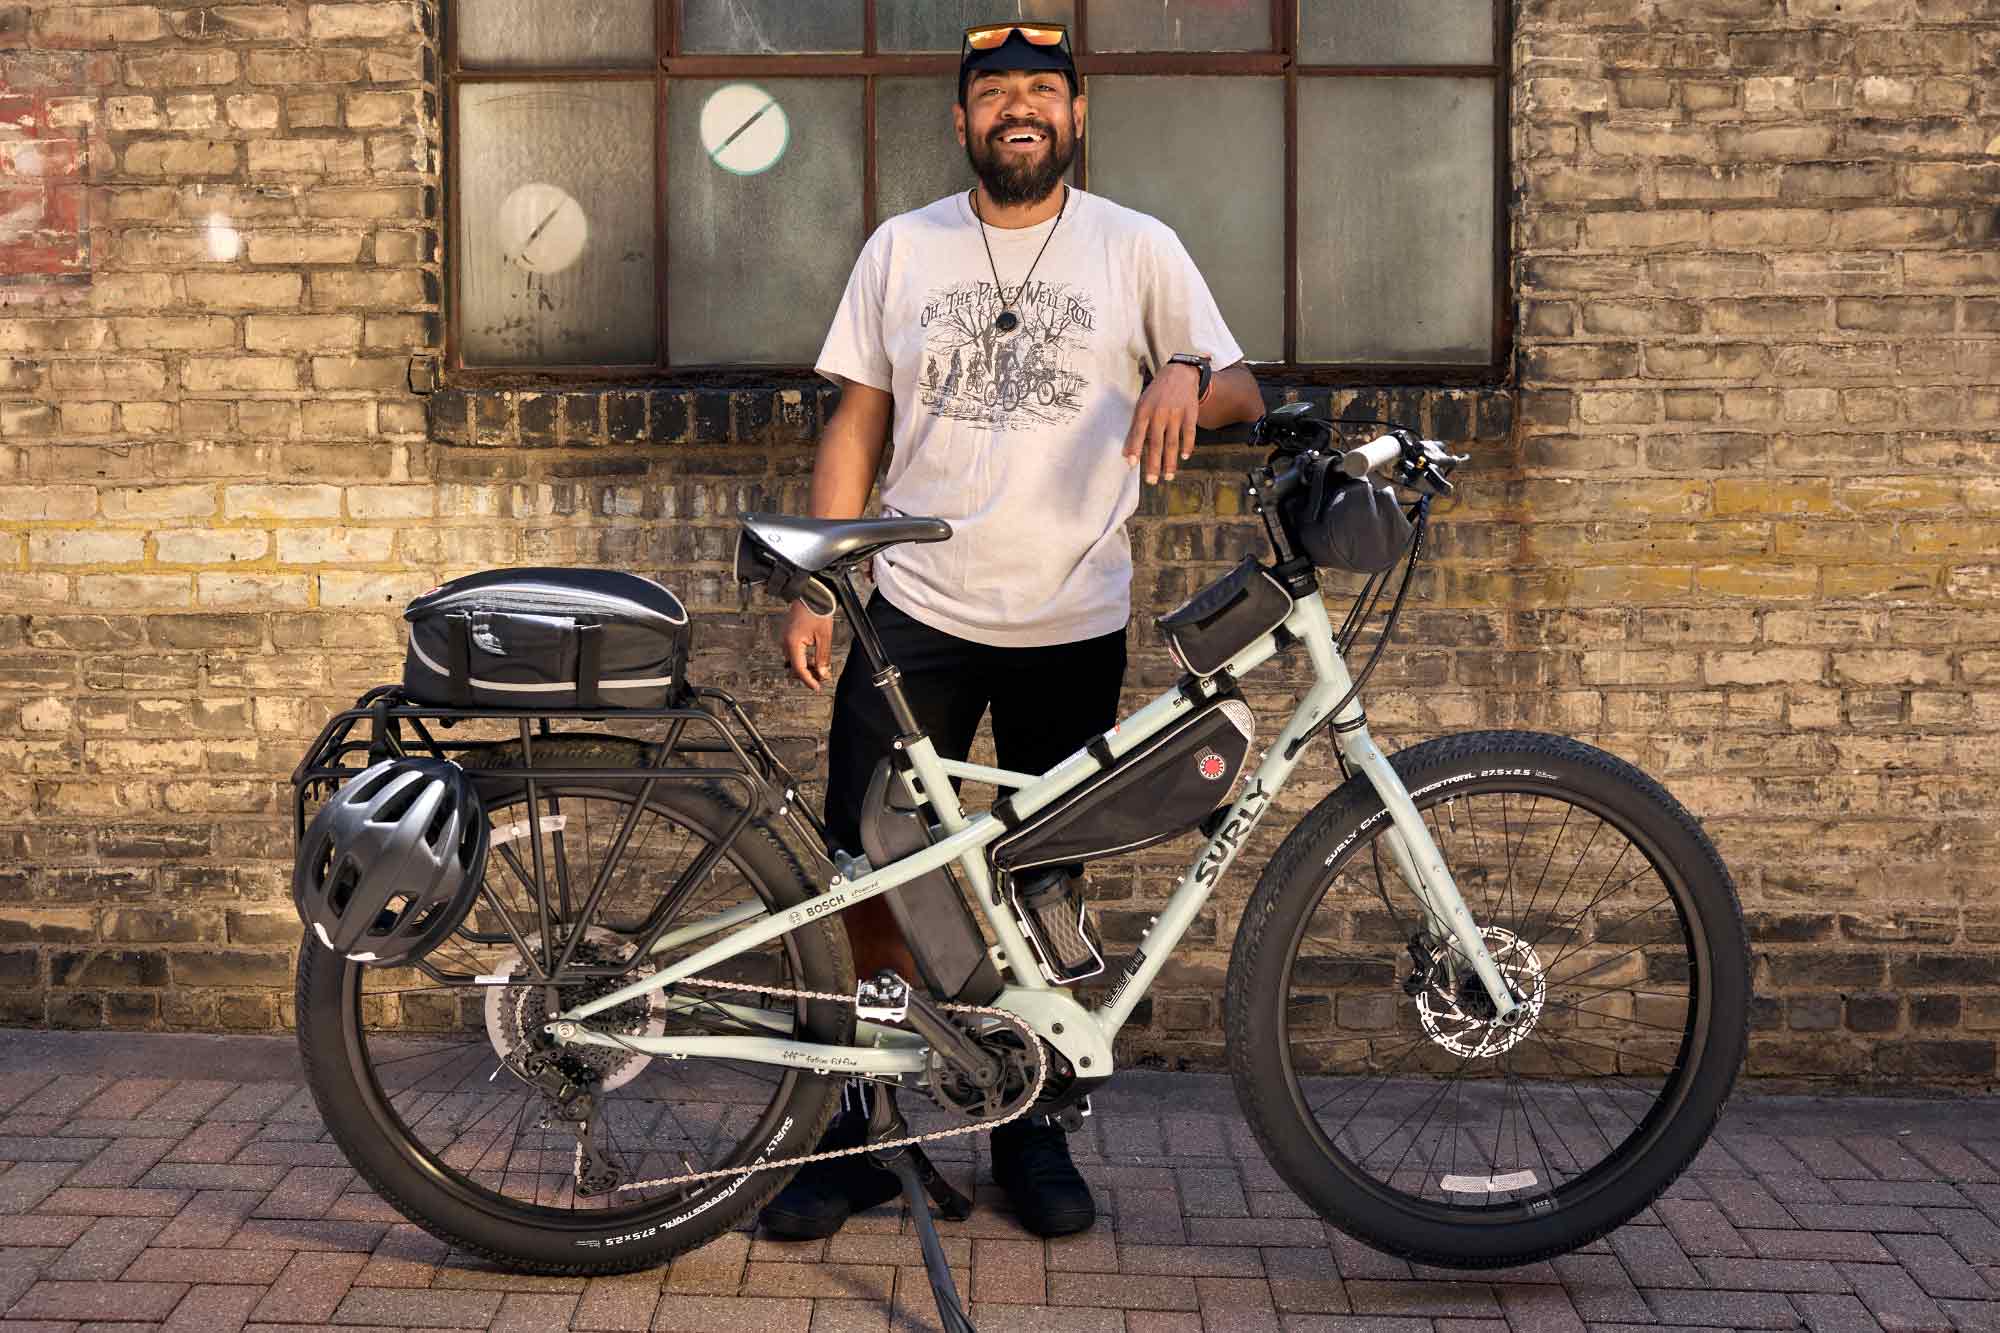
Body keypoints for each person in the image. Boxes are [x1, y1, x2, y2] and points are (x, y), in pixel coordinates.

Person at [759, 20, 1264, 1243]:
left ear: (1076, 115)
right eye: (997, 95)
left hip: (1071, 615)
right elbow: (856, 423)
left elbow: (1242, 385)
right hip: (915, 614)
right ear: (963, 121)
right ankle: (854, 1132)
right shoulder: (902, 247)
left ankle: (1026, 1133)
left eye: (1043, 90)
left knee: (1040, 888)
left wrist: (1186, 375)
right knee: (871, 872)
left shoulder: (1135, 248)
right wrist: (815, 581)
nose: (1019, 109)